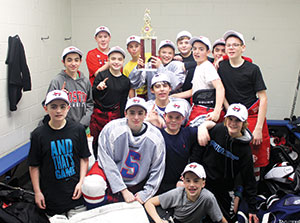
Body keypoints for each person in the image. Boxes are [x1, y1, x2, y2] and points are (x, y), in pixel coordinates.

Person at [28, 90, 91, 217]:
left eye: (62, 107)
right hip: (51, 197)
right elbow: (34, 166)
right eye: (53, 106)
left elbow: (84, 158)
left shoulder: (78, 130)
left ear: (68, 108)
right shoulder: (38, 135)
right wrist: (37, 192)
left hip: (75, 194)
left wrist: (81, 182)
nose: (58, 111)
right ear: (46, 108)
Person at [194, 103, 259, 223]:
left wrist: (252, 208)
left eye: (237, 120)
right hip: (203, 182)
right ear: (226, 119)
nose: (233, 123)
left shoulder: (245, 150)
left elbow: (249, 178)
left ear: (244, 123)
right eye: (230, 119)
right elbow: (198, 152)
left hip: (224, 189)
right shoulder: (218, 130)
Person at [218, 30, 270, 177]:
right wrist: (229, 111)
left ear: (243, 47)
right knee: (230, 154)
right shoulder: (221, 67)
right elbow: (221, 91)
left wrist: (259, 128)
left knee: (254, 156)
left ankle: (254, 191)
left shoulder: (253, 69)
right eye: (228, 45)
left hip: (251, 116)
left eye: (235, 45)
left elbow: (263, 98)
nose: (231, 48)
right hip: (232, 116)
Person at [97, 97, 166, 205]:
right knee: (91, 185)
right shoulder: (111, 129)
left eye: (140, 113)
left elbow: (158, 169)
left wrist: (145, 193)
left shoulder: (156, 137)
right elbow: (106, 160)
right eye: (132, 113)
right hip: (111, 178)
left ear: (145, 114)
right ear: (125, 113)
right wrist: (122, 189)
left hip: (137, 182)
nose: (136, 117)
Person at [145, 162, 226, 223]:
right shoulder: (177, 193)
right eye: (188, 180)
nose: (191, 185)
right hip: (170, 218)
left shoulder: (208, 198)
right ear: (183, 182)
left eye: (196, 181)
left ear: (203, 183)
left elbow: (220, 218)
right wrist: (158, 221)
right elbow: (149, 203)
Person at [90, 46, 132, 158]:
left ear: (123, 61)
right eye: (113, 59)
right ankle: (98, 162)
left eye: (119, 59)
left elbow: (123, 101)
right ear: (108, 61)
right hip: (99, 114)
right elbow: (92, 96)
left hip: (115, 115)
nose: (116, 62)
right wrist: (98, 89)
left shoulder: (125, 81)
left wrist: (124, 119)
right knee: (97, 141)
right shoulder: (101, 75)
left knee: (113, 141)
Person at [172, 36, 225, 125]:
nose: (196, 52)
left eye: (201, 49)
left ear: (208, 52)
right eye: (195, 49)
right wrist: (174, 96)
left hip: (205, 110)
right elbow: (194, 90)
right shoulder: (199, 66)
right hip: (196, 108)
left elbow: (220, 88)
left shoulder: (207, 67)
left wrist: (216, 112)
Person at [156, 101, 204, 194]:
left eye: (177, 117)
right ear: (165, 116)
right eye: (170, 117)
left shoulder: (188, 133)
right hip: (160, 183)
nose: (173, 120)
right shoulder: (158, 134)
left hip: (181, 183)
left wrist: (203, 127)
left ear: (183, 118)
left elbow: (211, 125)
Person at [47, 46, 93, 129]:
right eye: (69, 60)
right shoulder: (57, 81)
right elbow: (47, 104)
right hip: (63, 127)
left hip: (83, 127)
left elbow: (90, 103)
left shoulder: (85, 81)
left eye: (76, 60)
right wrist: (58, 97)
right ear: (63, 62)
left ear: (80, 61)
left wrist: (84, 122)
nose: (73, 63)